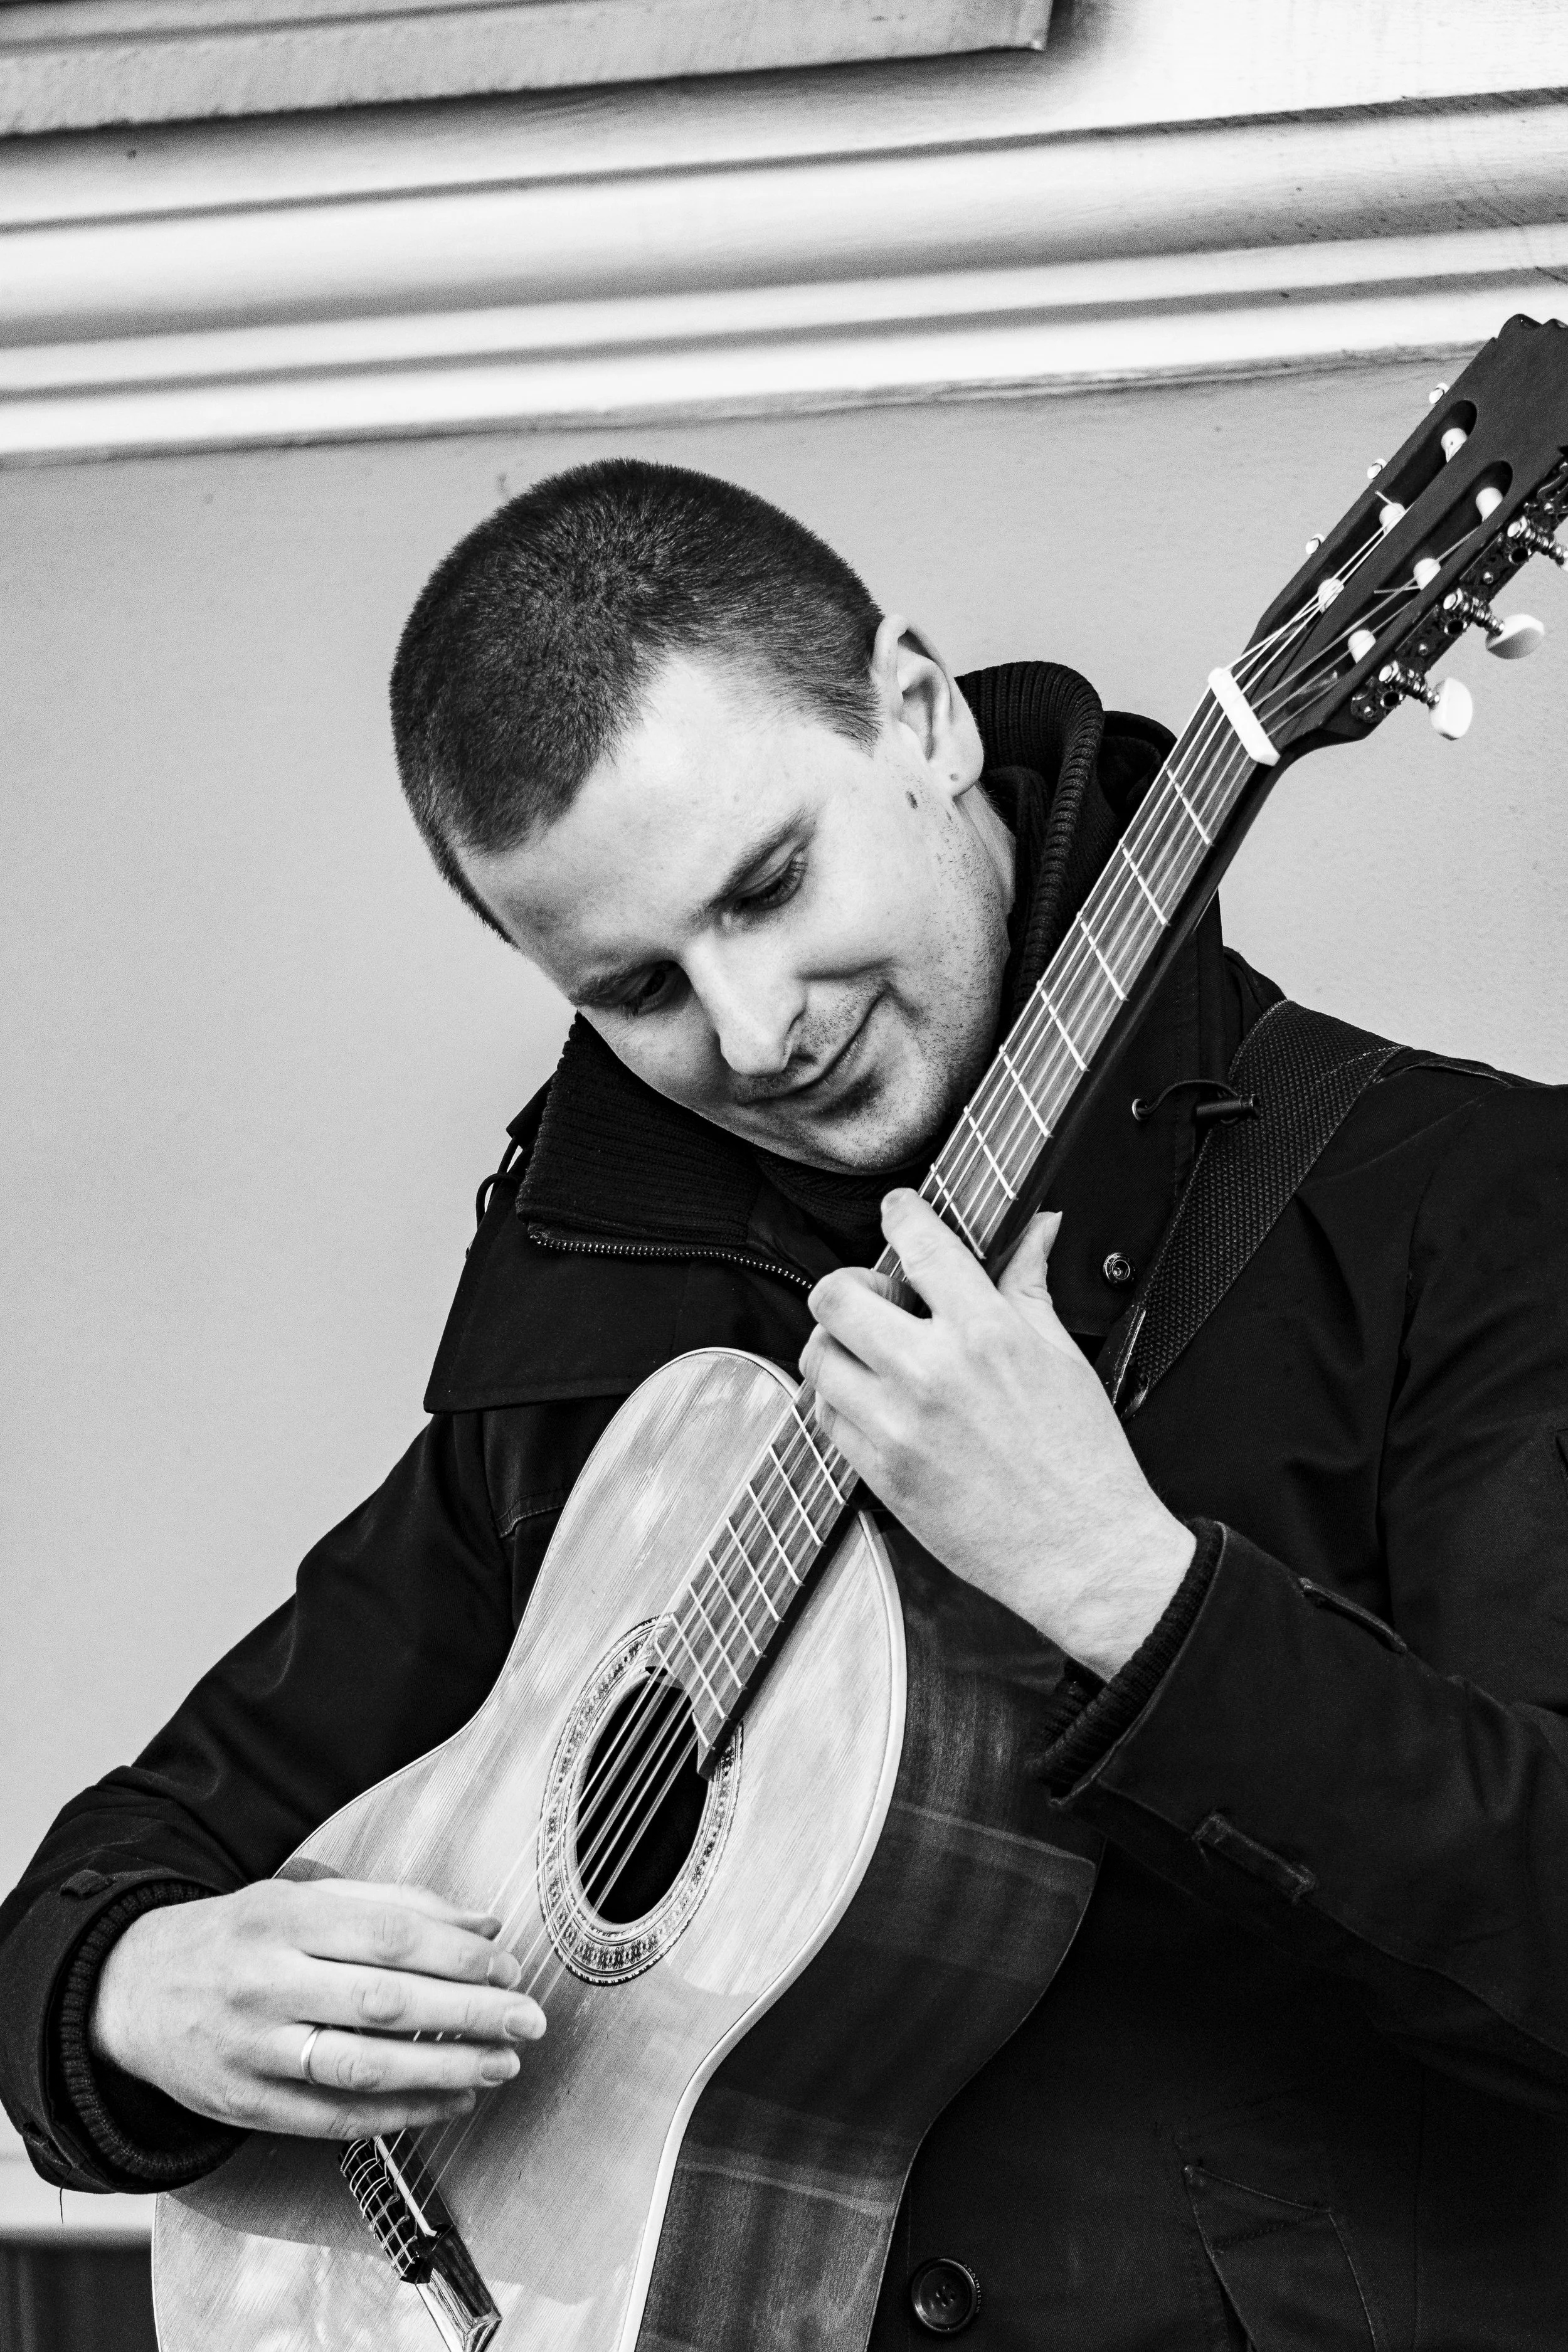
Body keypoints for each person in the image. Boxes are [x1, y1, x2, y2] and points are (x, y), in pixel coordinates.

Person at [3, 457, 1567, 2350]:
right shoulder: (608, 1314)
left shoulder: (1460, 1203)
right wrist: (134, 1984)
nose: (754, 1033)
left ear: (914, 713)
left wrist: (1131, 1589)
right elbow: (137, 1855)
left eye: (769, 885)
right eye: (640, 985)